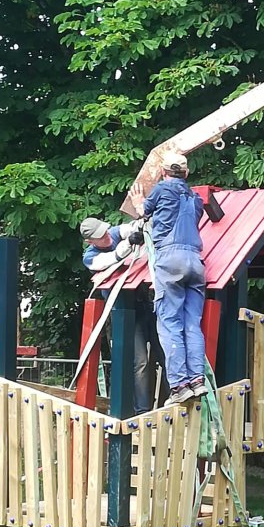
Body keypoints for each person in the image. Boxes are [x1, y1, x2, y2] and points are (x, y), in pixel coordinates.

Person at [137, 152, 208, 405]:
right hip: (196, 262)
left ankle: (178, 385)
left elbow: (143, 214)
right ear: (186, 174)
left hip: (170, 259)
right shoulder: (196, 198)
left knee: (169, 324)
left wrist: (138, 204)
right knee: (192, 325)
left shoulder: (161, 190)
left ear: (163, 172)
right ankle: (197, 380)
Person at [80, 216, 167, 415]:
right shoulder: (90, 257)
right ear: (89, 242)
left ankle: (170, 406)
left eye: (104, 231)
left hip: (145, 305)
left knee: (167, 355)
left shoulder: (112, 234)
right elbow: (113, 258)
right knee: (140, 363)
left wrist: (141, 223)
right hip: (124, 313)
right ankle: (142, 412)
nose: (105, 236)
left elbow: (128, 228)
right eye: (99, 237)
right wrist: (129, 243)